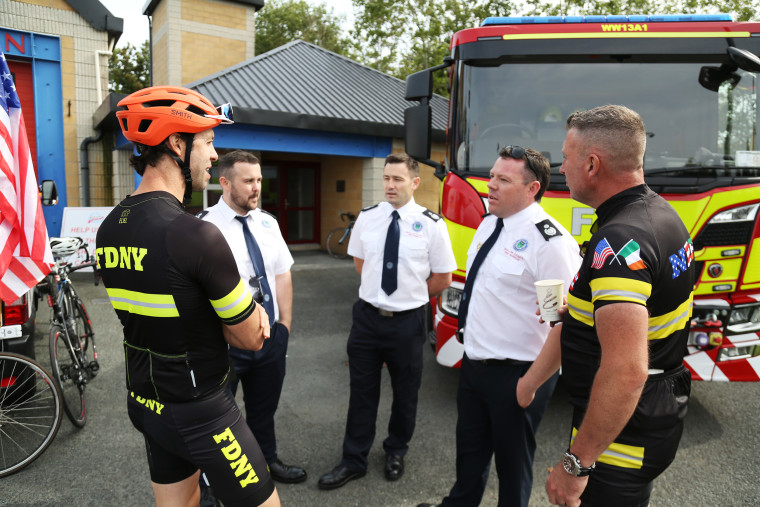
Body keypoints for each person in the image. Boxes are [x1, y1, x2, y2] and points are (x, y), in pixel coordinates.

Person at [96, 86, 280, 507]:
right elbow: (250, 338)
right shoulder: (195, 234)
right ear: (177, 143)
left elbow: (164, 308)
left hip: (145, 401)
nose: (215, 156)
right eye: (209, 142)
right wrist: (250, 316)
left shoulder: (110, 226)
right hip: (201, 410)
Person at [527, 105, 695, 507]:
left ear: (591, 164)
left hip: (622, 438)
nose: (560, 167)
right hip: (651, 413)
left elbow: (626, 370)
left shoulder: (619, 239)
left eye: (566, 158)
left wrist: (575, 466)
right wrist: (586, 314)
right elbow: (650, 310)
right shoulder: (659, 213)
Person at [417, 146, 581, 507]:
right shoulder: (490, 223)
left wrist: (529, 386)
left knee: (513, 470)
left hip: (518, 375)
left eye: (503, 179)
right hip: (475, 367)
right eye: (491, 176)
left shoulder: (548, 243)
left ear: (532, 188)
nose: (490, 184)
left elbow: (561, 325)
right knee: (470, 457)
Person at [318, 153, 457, 490]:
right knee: (361, 393)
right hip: (367, 319)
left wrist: (408, 296)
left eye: (397, 179)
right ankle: (354, 459)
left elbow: (443, 276)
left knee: (406, 393)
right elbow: (360, 262)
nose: (390, 185)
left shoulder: (432, 225)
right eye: (386, 178)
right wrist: (381, 294)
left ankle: (396, 450)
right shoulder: (368, 218)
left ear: (414, 182)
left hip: (407, 323)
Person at [200, 150, 306, 487]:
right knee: (216, 421)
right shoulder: (202, 228)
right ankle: (212, 482)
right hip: (225, 346)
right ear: (225, 183)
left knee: (264, 411)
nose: (257, 187)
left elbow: (282, 275)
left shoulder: (268, 223)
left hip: (269, 339)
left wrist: (285, 325)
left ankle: (266, 462)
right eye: (249, 181)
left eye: (259, 180)